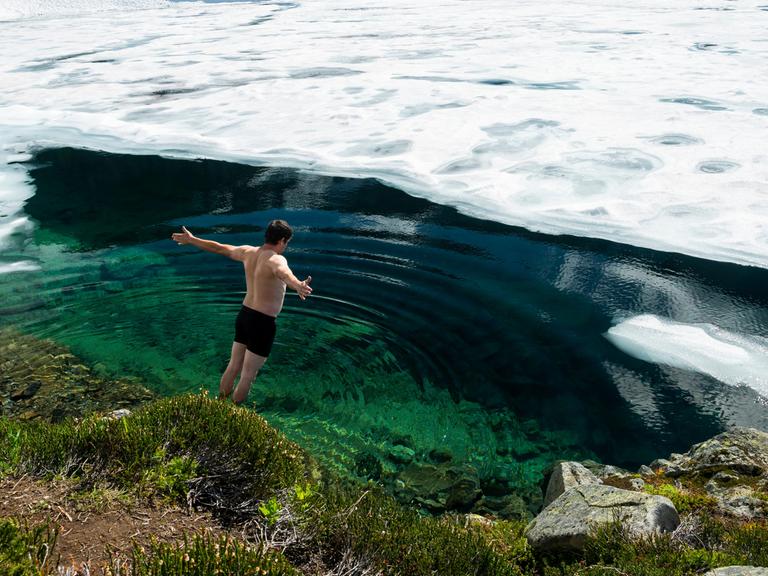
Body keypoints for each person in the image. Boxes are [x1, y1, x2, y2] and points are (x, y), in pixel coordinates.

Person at [171, 219, 312, 404]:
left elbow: (219, 248)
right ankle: (233, 412)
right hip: (262, 322)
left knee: (233, 366)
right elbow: (284, 273)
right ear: (282, 240)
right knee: (248, 375)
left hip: (245, 316)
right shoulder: (276, 259)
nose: (286, 247)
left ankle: (218, 405)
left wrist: (192, 239)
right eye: (287, 243)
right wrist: (298, 285)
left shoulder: (248, 252)